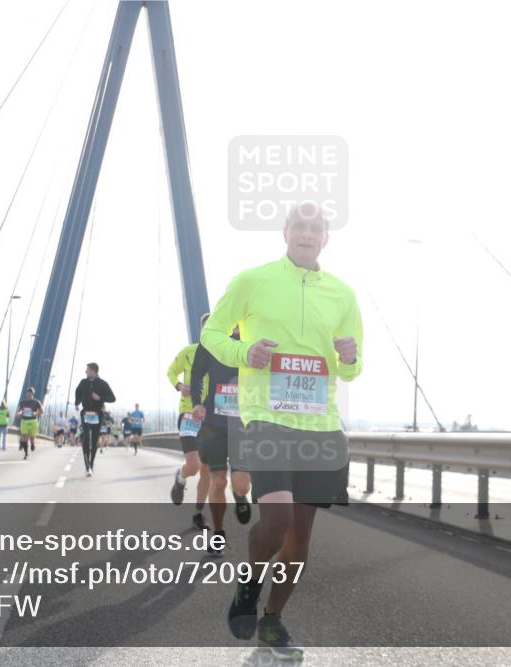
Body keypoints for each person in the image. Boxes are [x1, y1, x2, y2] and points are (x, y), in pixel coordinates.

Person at [201, 203, 363, 659]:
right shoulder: (252, 280)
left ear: (326, 238)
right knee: (277, 520)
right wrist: (244, 352)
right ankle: (249, 586)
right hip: (266, 418)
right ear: (286, 232)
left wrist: (350, 357)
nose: (308, 234)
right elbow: (213, 333)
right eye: (300, 227)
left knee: (299, 538)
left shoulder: (343, 294)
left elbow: (351, 369)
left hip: (321, 425)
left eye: (317, 228)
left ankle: (272, 621)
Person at [190, 323, 253, 553]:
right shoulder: (211, 339)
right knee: (218, 481)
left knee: (242, 484)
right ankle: (218, 534)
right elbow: (196, 374)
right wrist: (197, 403)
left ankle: (241, 496)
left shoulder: (254, 336)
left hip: (243, 423)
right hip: (214, 423)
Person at [169, 315, 212, 530]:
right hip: (188, 413)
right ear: (202, 331)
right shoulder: (189, 351)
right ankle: (181, 477)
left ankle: (198, 514)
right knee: (194, 466)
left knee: (207, 469)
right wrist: (178, 385)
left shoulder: (224, 355)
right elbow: (171, 371)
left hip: (212, 418)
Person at [74, 362, 116, 477]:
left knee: (94, 440)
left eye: (87, 370)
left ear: (93, 371)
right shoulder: (83, 382)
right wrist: (77, 402)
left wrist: (100, 398)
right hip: (86, 413)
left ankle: (91, 464)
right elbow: (77, 392)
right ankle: (87, 466)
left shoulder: (103, 384)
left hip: (97, 414)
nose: (85, 372)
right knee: (86, 438)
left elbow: (113, 398)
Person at [17, 387, 43, 460]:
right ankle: (26, 453)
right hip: (24, 421)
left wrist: (35, 413)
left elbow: (41, 411)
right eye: (28, 393)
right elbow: (19, 410)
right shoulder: (23, 402)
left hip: (33, 422)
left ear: (32, 394)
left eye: (30, 393)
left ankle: (32, 444)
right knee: (24, 437)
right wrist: (19, 413)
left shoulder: (36, 402)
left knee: (32, 438)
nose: (28, 394)